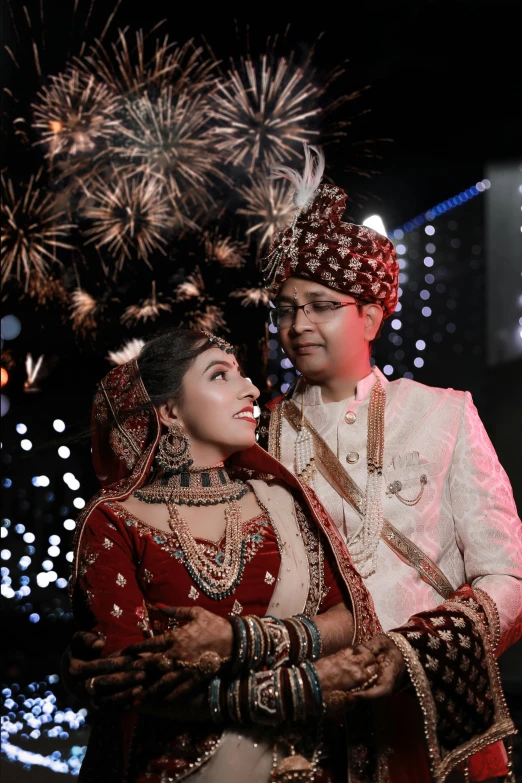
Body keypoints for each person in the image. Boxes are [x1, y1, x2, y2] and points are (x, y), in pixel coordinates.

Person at [65, 325, 515, 783]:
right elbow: (126, 678)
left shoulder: (280, 494)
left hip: (329, 750)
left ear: (372, 315)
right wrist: (312, 684)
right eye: (221, 375)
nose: (251, 388)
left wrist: (241, 641)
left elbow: (349, 616)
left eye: (322, 305)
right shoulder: (116, 517)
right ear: (169, 411)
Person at [254, 145, 522, 782]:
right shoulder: (259, 431)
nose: (297, 325)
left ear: (371, 315)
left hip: (429, 723)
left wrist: (414, 653)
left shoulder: (442, 414)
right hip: (302, 724)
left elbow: (508, 575)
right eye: (286, 308)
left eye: (321, 305)